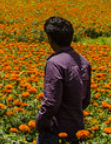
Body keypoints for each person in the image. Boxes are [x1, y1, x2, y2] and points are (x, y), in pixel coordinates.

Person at [35, 16, 92, 144]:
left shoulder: (54, 63)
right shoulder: (84, 62)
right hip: (76, 130)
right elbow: (86, 99)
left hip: (55, 132)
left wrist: (40, 123)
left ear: (50, 38)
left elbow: (51, 102)